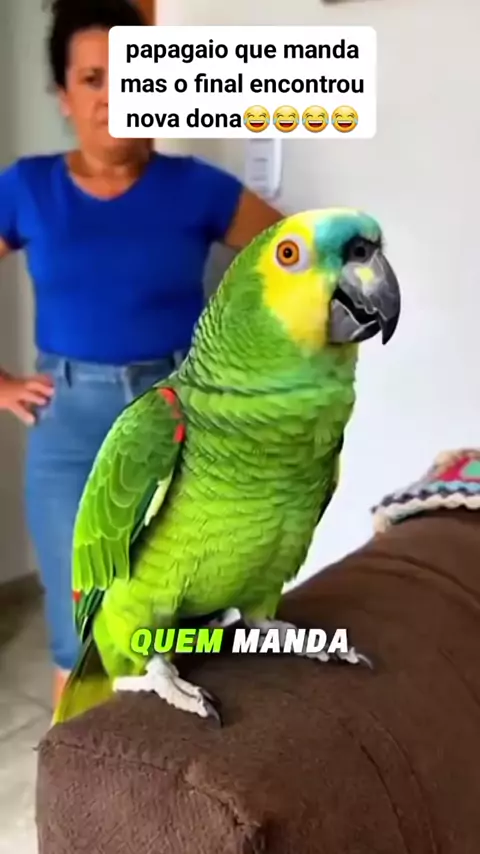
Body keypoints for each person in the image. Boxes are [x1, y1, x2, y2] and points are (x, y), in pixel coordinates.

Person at [0, 0, 282, 709]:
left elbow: (296, 264)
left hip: (183, 427)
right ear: (64, 96)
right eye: (92, 79)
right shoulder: (27, 189)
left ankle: (173, 771)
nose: (112, 96)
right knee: (82, 634)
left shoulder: (199, 189)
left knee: (184, 618)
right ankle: (80, 777)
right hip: (70, 430)